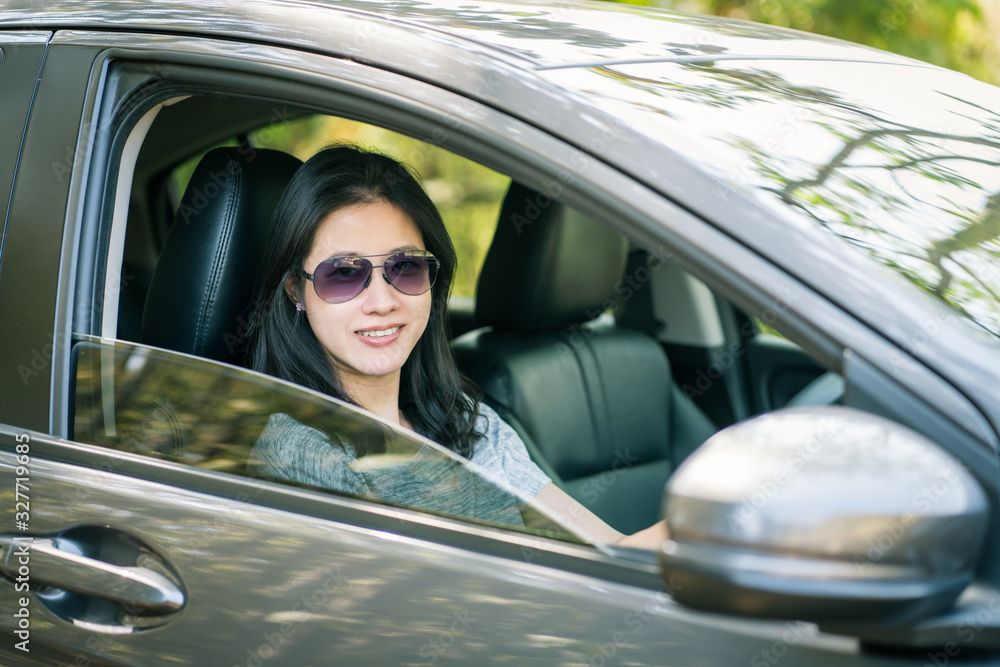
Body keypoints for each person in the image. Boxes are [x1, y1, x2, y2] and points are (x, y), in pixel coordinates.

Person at [247, 143, 665, 548]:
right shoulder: (301, 453)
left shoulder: (466, 421)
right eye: (343, 274)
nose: (382, 302)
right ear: (294, 291)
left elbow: (615, 554)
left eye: (405, 267)